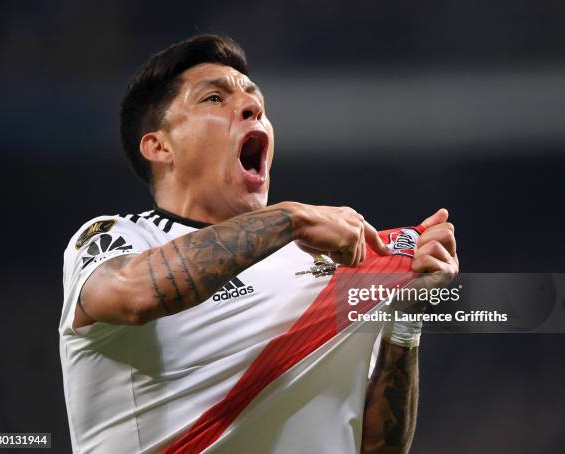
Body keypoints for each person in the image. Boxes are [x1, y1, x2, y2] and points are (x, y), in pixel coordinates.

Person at [59, 34, 459, 454]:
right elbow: (133, 294)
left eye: (256, 100)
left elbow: (378, 448)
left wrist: (404, 321)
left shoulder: (332, 270)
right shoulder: (122, 239)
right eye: (214, 98)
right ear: (159, 145)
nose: (253, 108)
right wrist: (290, 218)